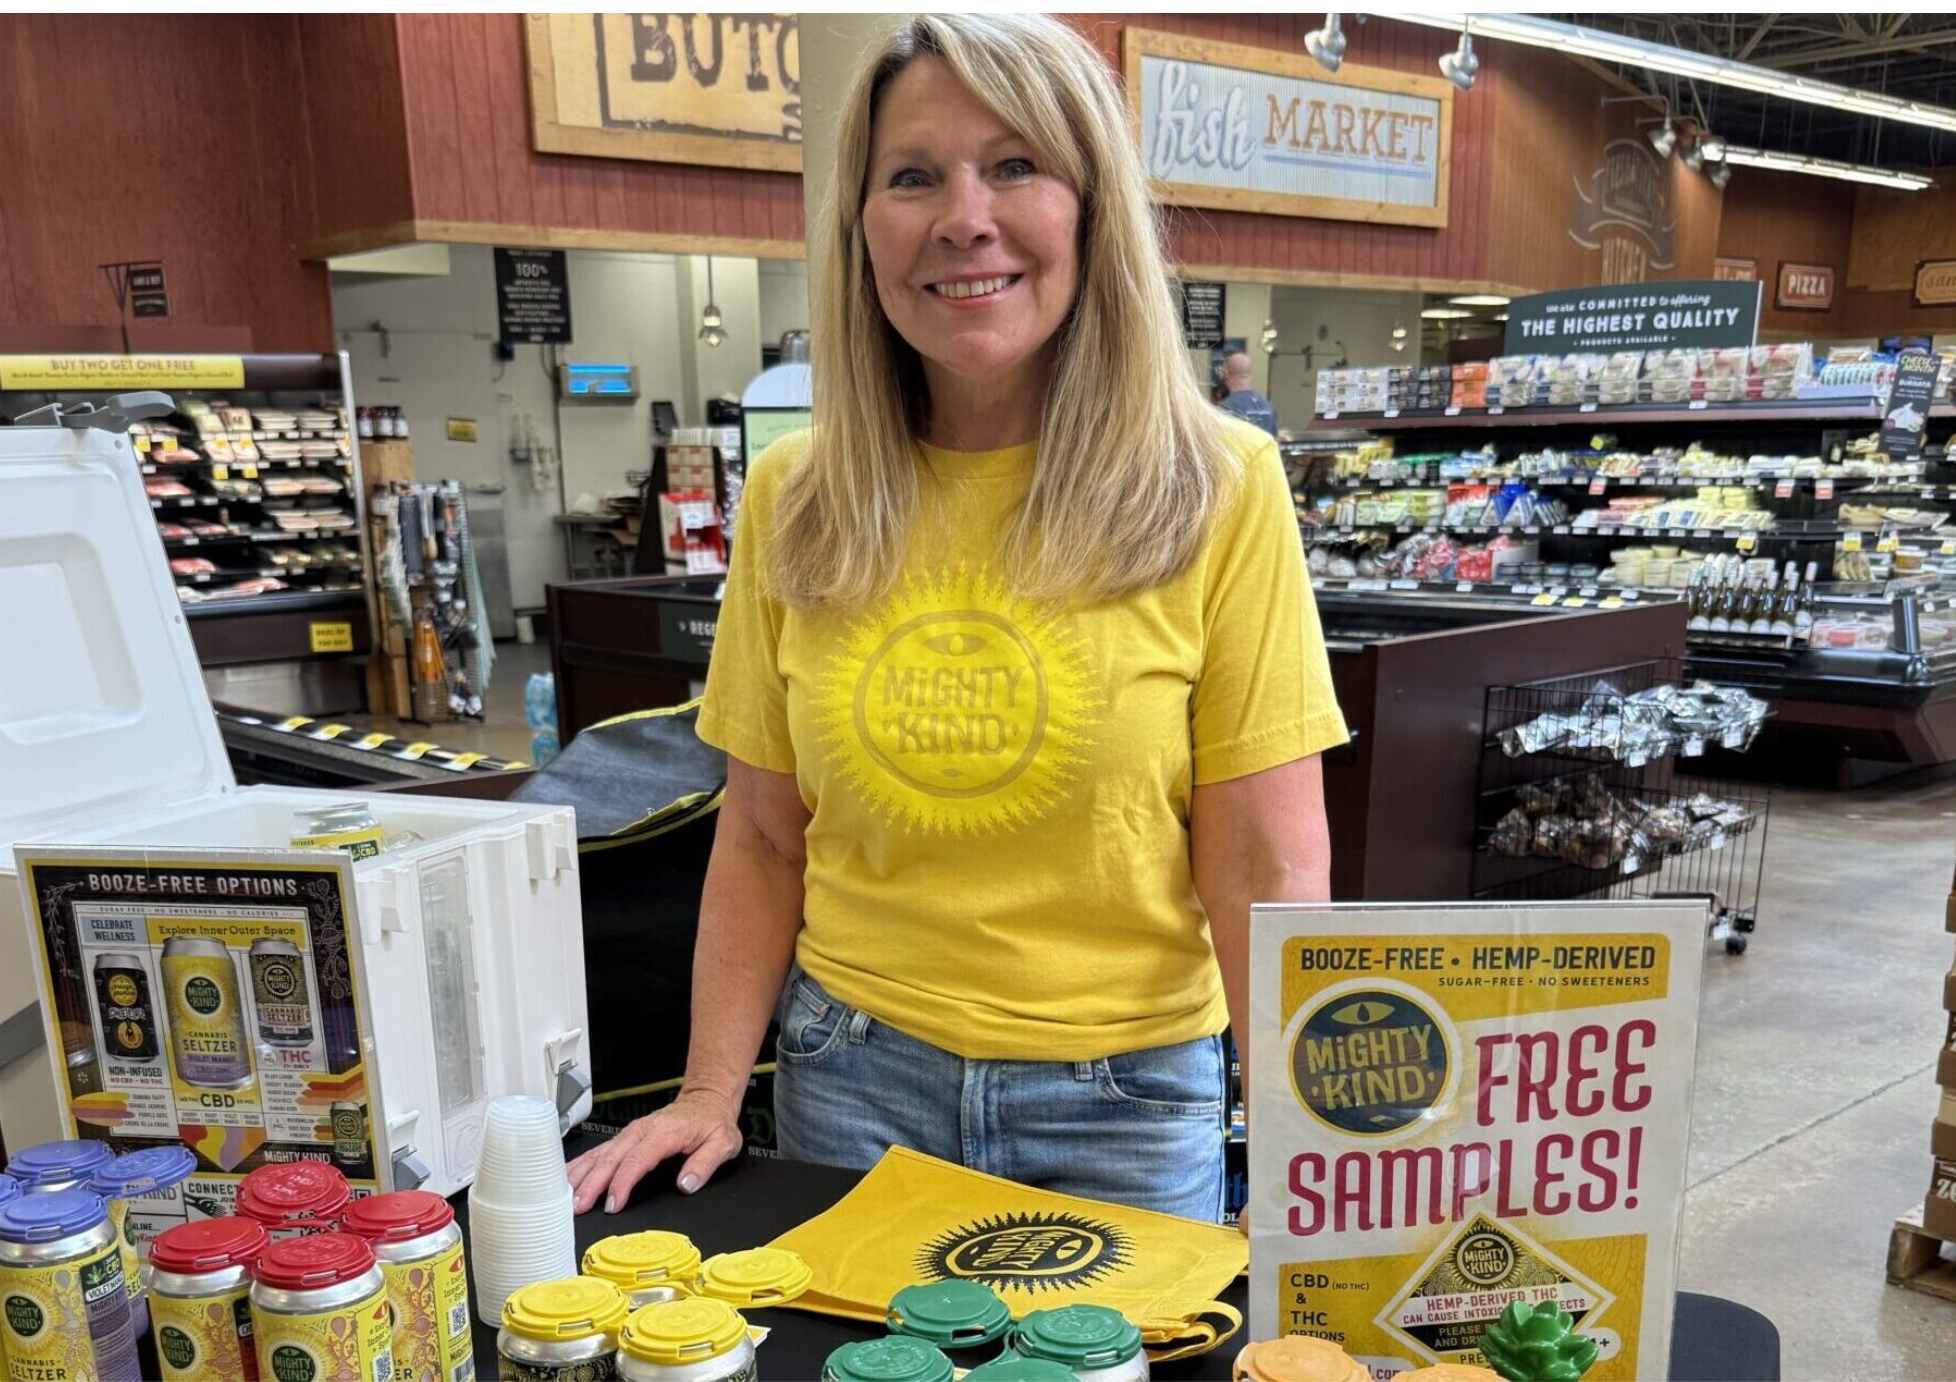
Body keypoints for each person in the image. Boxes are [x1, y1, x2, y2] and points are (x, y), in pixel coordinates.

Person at [568, 13, 1345, 1224]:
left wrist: (1309, 1145)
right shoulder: (796, 496)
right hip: (848, 1077)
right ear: (860, 224)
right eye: (913, 176)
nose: (964, 217)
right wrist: (709, 1091)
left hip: (1126, 1102)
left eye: (1015, 164)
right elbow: (764, 835)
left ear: (1092, 207)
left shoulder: (1217, 486)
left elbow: (1265, 862)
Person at [1217, 351, 1280, 438]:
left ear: (1225, 373)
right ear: (1248, 372)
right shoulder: (1267, 406)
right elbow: (1274, 441)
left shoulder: (1227, 407)